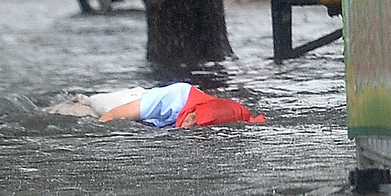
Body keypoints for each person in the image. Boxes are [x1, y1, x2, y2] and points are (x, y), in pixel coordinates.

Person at [46, 82, 265, 128]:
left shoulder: (222, 116)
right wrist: (96, 130)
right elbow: (112, 115)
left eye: (197, 125)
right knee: (89, 107)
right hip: (127, 102)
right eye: (192, 118)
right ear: (191, 110)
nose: (189, 125)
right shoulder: (177, 97)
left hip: (150, 118)